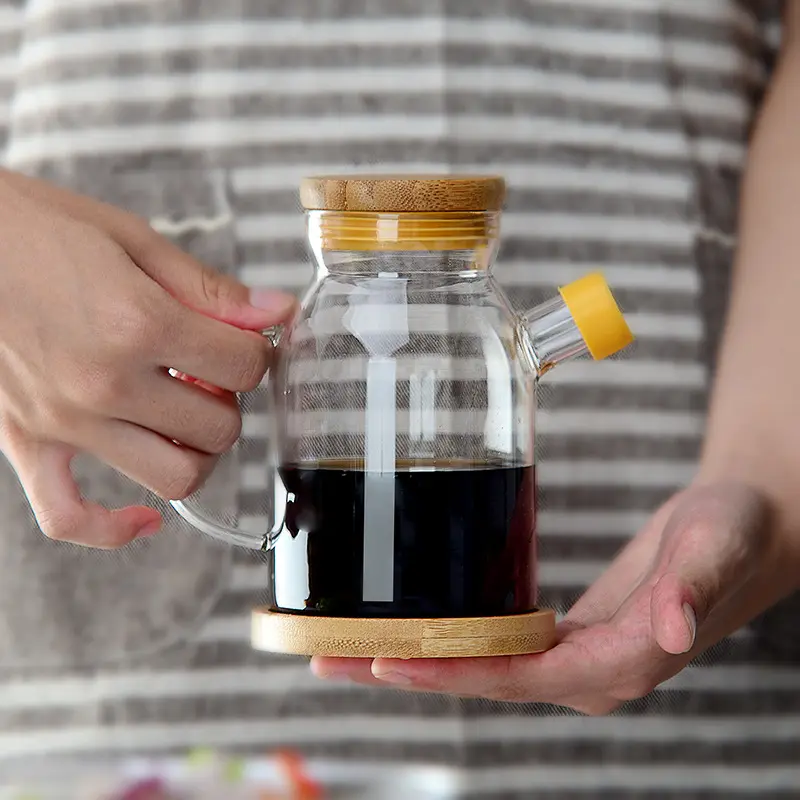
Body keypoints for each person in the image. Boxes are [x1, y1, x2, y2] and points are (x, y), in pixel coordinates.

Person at [0, 0, 797, 796]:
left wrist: (770, 477)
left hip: (678, 752)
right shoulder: (330, 314)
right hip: (150, 746)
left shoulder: (493, 319)